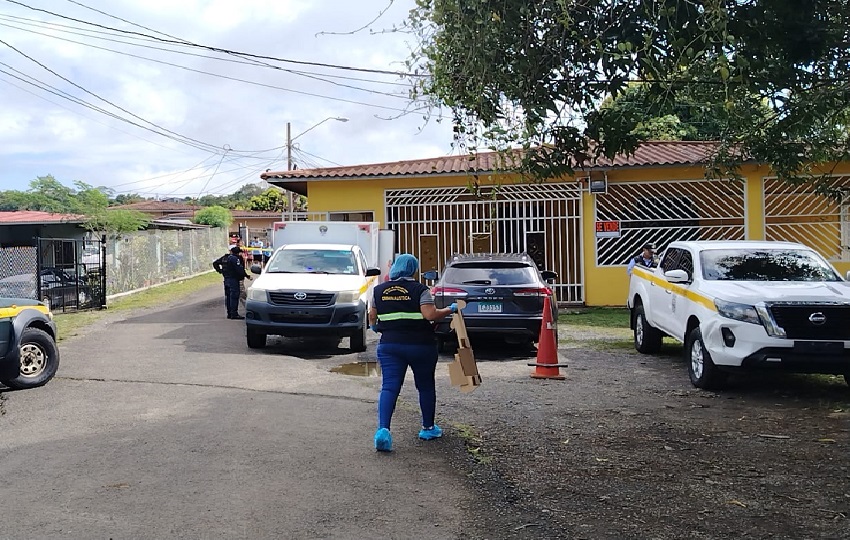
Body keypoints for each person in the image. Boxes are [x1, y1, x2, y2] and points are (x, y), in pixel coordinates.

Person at [368, 254, 459, 452]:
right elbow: (429, 315)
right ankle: (428, 428)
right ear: (413, 269)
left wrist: (374, 326)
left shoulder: (378, 290)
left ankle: (383, 430)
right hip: (421, 346)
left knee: (389, 387)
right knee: (425, 387)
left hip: (390, 346)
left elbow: (372, 316)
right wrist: (448, 309)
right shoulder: (420, 289)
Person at [213, 245, 252, 319]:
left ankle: (229, 313)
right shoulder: (234, 259)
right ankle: (234, 314)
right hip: (233, 279)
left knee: (228, 297)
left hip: (226, 279)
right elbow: (239, 269)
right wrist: (247, 276)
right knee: (234, 296)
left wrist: (220, 271)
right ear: (238, 253)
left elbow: (215, 263)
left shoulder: (225, 257)